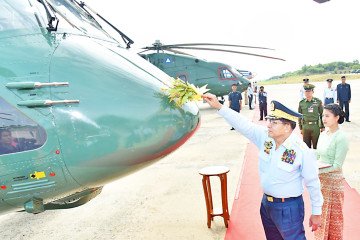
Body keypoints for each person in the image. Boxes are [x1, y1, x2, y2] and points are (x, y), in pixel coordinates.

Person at [202, 93, 323, 240]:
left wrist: (317, 212)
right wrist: (219, 107)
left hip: (288, 208)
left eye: (274, 122)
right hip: (267, 205)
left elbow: (312, 182)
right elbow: (243, 124)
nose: (268, 125)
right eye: (269, 120)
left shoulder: (301, 150)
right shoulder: (266, 138)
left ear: (287, 127)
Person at [314, 104, 349, 240]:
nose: (324, 118)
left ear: (337, 117)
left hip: (334, 183)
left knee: (335, 218)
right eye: (323, 115)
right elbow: (317, 156)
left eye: (327, 116)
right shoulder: (322, 135)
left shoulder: (341, 138)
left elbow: (337, 165)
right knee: (321, 216)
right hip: (321, 182)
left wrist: (316, 171)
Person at [298, 84, 324, 149]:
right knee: (306, 147)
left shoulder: (318, 101)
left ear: (313, 92)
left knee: (316, 146)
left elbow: (321, 114)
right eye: (306, 91)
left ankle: (316, 159)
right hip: (305, 127)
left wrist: (322, 126)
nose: (307, 93)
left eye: (309, 91)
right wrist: (300, 128)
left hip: (315, 126)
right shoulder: (301, 103)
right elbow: (299, 116)